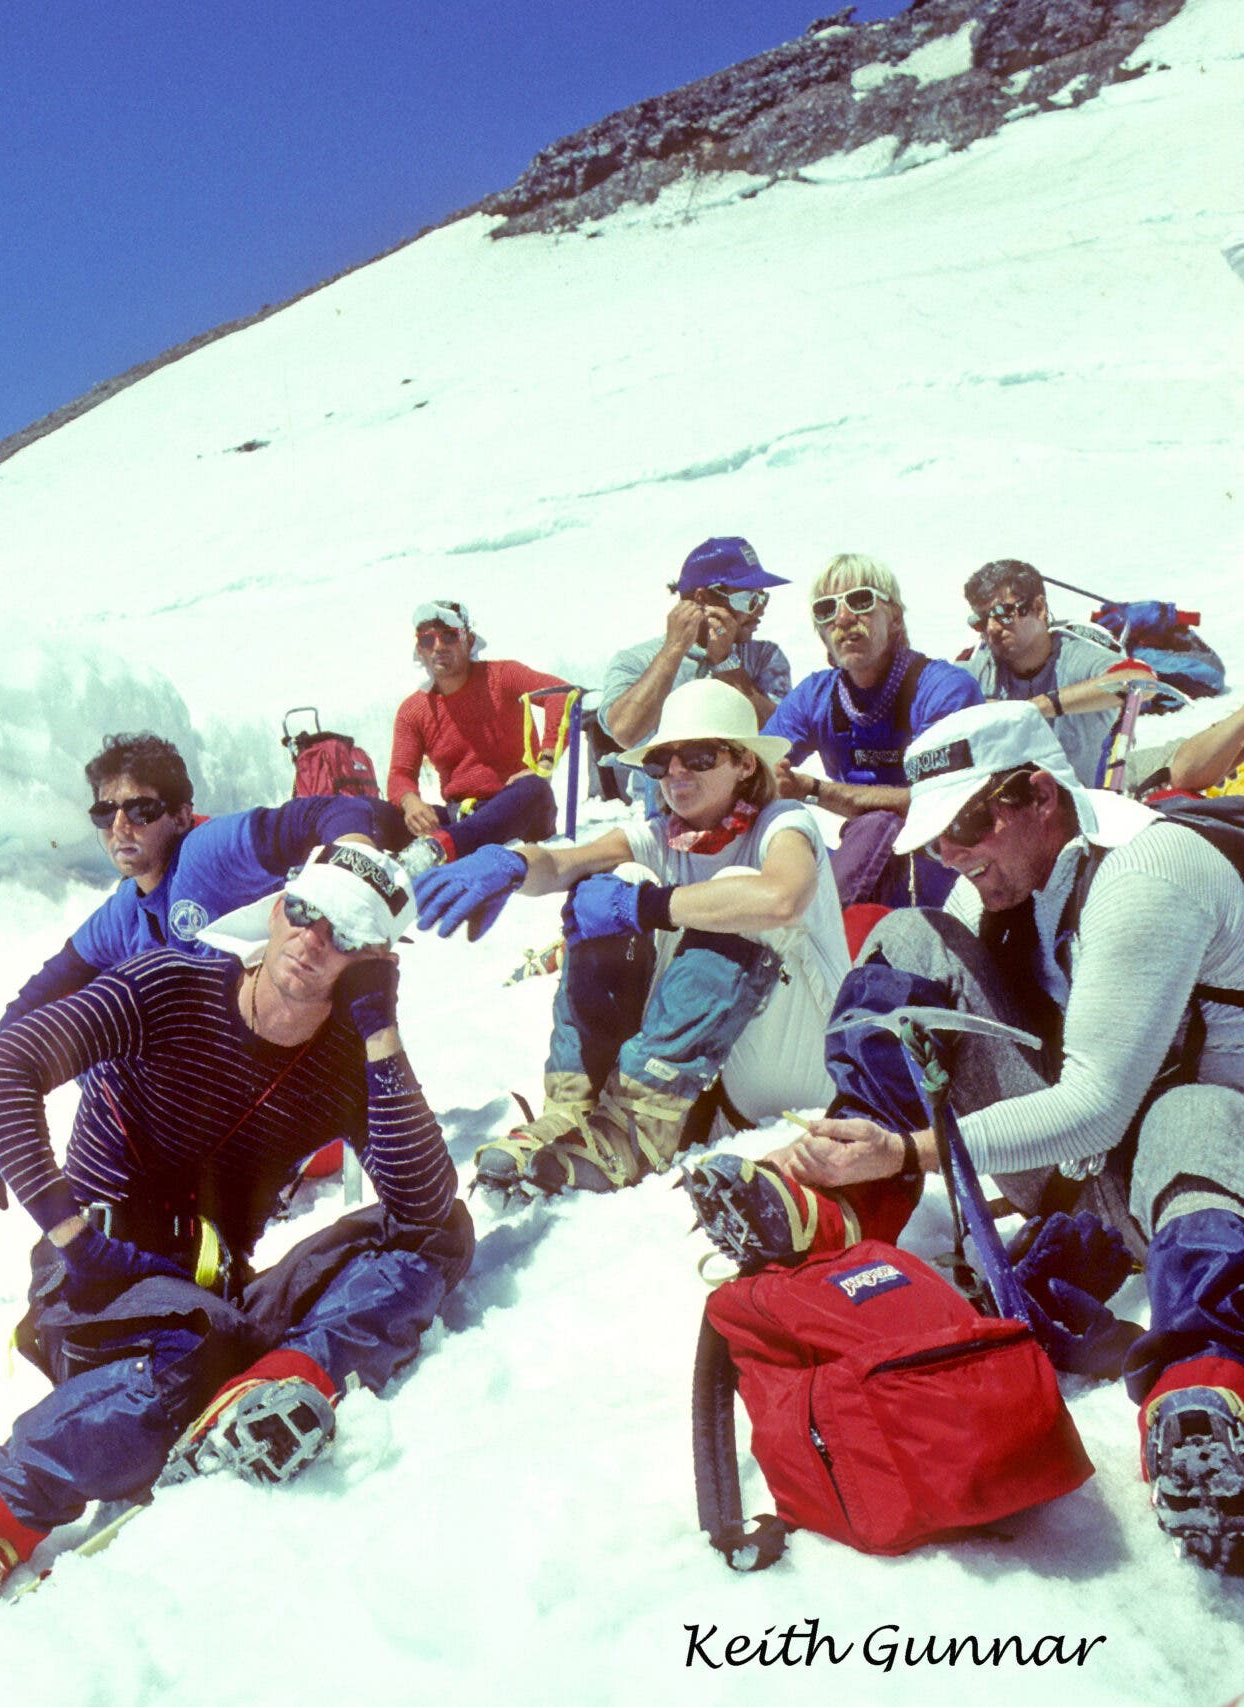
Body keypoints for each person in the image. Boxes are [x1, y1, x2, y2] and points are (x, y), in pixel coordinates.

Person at [685, 702, 1244, 1575]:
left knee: (1192, 1110)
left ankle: (1206, 1395)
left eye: (970, 824)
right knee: (909, 938)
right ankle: (839, 1197)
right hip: (1090, 1171)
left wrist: (916, 1149)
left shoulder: (1147, 870)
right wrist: (879, 1138)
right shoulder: (1002, 874)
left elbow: (1096, 1105)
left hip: (1202, 1177)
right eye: (938, 832)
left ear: (1041, 795)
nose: (951, 851)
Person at [0, 845, 468, 1640]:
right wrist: (71, 1234)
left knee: (442, 1236)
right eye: (305, 911)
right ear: (278, 907)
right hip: (94, 1281)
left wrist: (379, 1031)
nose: (311, 939)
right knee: (194, 1346)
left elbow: (424, 1205)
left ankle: (277, 1381)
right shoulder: (168, 983)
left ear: (374, 961)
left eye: (344, 933)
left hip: (211, 1297)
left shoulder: (344, 1056)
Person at [411, 679, 846, 1198]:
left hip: (798, 1070)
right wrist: (512, 863)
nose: (677, 772)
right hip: (718, 1068)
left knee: (732, 892)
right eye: (663, 761)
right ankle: (580, 1102)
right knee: (613, 881)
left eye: (700, 756)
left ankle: (637, 1127)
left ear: (745, 763)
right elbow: (564, 863)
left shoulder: (784, 822)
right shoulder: (663, 835)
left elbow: (782, 897)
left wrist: (648, 907)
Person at [0, 732, 387, 1234]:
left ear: (179, 815)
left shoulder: (206, 854)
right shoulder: (126, 910)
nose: (120, 826)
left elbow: (330, 812)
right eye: (105, 812)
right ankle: (115, 1216)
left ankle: (120, 1223)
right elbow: (40, 997)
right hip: (214, 1119)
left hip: (301, 1124)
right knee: (106, 1023)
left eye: (141, 809)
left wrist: (353, 868)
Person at [760, 554, 984, 908]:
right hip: (859, 863)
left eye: (860, 601)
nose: (843, 618)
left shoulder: (944, 689)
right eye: (826, 609)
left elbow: (938, 802)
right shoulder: (815, 696)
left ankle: (821, 926)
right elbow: (755, 768)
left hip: (941, 864)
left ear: (894, 617)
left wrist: (812, 790)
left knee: (880, 823)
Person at [385, 600, 570, 875]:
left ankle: (438, 850)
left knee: (533, 787)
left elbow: (562, 693)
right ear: (419, 650)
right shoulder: (413, 710)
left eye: (449, 636)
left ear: (469, 641)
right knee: (375, 812)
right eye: (427, 640)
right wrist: (411, 803)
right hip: (460, 816)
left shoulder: (503, 676)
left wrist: (544, 763)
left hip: (519, 808)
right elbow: (400, 774)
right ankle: (352, 863)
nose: (438, 646)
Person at [594, 536, 793, 759]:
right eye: (749, 599)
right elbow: (625, 732)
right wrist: (672, 652)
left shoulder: (765, 656)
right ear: (703, 598)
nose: (760, 610)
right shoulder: (636, 660)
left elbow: (782, 735)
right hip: (660, 781)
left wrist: (726, 663)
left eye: (763, 598)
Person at [958, 559, 1132, 786]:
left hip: (1088, 800)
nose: (992, 628)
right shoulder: (980, 669)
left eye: (1004, 613)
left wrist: (1037, 708)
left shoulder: (1076, 657)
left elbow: (1138, 681)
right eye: (981, 621)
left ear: (1039, 608)